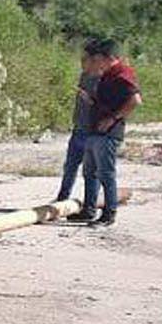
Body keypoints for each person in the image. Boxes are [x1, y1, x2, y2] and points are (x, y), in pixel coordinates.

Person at [72, 37, 140, 226]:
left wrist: (112, 119)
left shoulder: (123, 74)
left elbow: (135, 100)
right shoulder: (107, 74)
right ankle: (89, 210)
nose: (94, 63)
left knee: (105, 174)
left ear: (106, 57)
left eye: (96, 59)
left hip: (108, 133)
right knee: (90, 173)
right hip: (95, 130)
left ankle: (109, 213)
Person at [55, 53, 102, 204]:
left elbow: (105, 105)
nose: (82, 63)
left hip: (92, 131)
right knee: (70, 166)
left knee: (91, 171)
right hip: (78, 129)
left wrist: (89, 100)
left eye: (85, 61)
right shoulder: (84, 76)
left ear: (95, 62)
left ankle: (90, 204)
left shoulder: (102, 80)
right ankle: (62, 197)